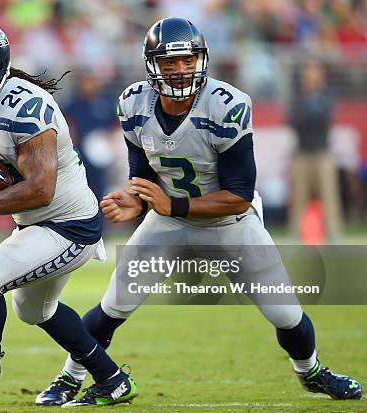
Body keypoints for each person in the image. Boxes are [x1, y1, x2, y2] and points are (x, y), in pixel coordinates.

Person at [36, 17, 363, 406]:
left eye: (187, 61)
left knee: (286, 314)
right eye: (169, 62)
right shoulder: (133, 103)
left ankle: (311, 371)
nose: (179, 70)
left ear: (202, 60)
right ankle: (69, 378)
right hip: (168, 223)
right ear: (151, 64)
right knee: (113, 306)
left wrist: (167, 203)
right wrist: (135, 198)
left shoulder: (228, 105)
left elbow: (239, 195)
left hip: (230, 224)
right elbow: (142, 173)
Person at [0, 19, 138, 407]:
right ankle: (112, 379)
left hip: (70, 225)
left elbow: (39, 189)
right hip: (36, 225)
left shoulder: (25, 105)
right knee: (34, 309)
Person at [288, 60, 344, 242]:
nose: (310, 77)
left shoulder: (328, 96)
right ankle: (295, 234)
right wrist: (312, 111)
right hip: (302, 153)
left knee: (330, 196)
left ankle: (334, 234)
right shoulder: (298, 97)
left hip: (323, 153)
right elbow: (294, 120)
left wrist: (310, 111)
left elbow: (323, 119)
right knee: (298, 197)